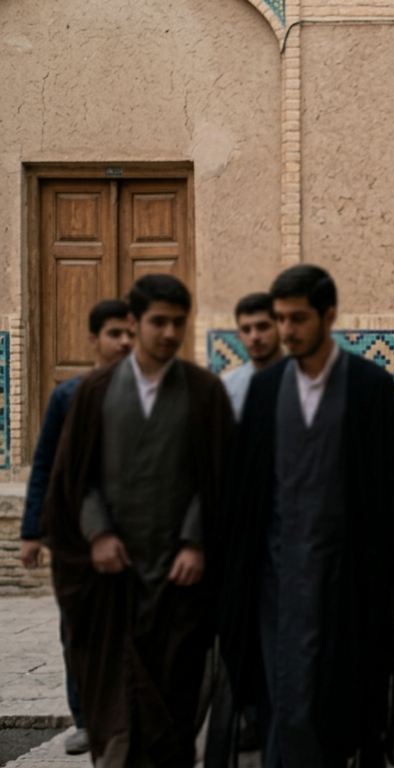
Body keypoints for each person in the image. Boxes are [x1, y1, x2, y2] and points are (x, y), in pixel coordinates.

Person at [214, 264, 394, 768]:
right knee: (284, 706)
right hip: (274, 585)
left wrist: (380, 581)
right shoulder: (267, 391)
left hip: (346, 588)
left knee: (338, 710)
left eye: (297, 318)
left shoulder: (369, 389)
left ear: (328, 315)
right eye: (280, 319)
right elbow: (243, 495)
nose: (286, 331)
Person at [41, 274, 235, 766]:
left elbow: (217, 478)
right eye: (157, 322)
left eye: (177, 323)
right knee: (114, 703)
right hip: (110, 581)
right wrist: (98, 533)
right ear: (133, 322)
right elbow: (73, 477)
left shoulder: (204, 392)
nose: (169, 333)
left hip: (179, 581)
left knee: (173, 700)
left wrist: (196, 542)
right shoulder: (94, 392)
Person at [20, 299, 132, 756]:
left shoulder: (148, 393)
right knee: (79, 629)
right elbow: (46, 464)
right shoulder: (67, 396)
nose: (124, 342)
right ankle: (85, 717)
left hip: (133, 534)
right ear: (93, 339)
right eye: (114, 334)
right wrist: (31, 531)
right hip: (77, 539)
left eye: (130, 333)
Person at [222, 292, 283, 420]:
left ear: (280, 328)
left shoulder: (302, 380)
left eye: (263, 327)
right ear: (239, 335)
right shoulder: (227, 387)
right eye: (246, 330)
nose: (254, 337)